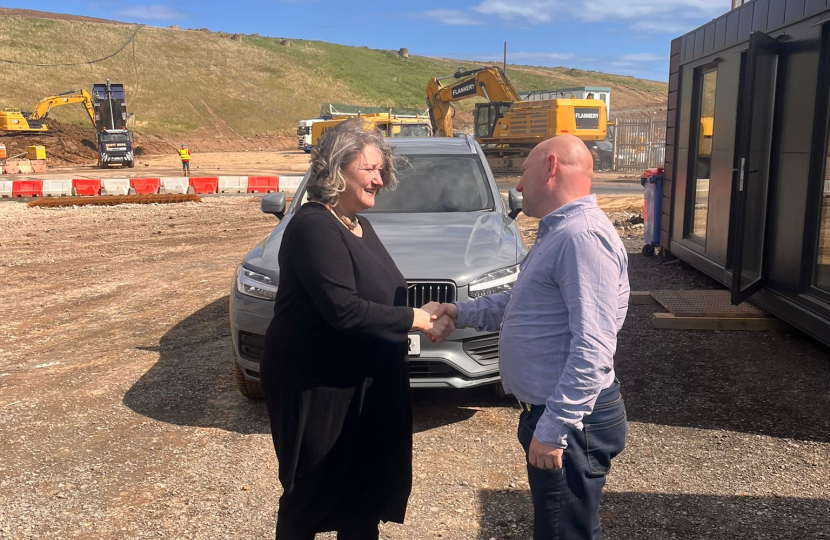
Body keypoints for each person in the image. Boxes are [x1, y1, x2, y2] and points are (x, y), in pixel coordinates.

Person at [425, 134, 630, 540]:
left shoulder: (580, 237)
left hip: (571, 421)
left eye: (523, 172)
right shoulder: (561, 232)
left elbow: (594, 347)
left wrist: (554, 428)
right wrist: (459, 310)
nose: (518, 186)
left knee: (562, 532)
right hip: (557, 414)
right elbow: (524, 304)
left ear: (551, 167)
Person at [259, 119, 453, 540]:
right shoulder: (314, 226)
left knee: (363, 494)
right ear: (336, 168)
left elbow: (382, 294)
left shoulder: (356, 224)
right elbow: (343, 310)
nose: (380, 179)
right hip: (319, 384)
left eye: (382, 170)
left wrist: (429, 310)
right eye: (370, 169)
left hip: (365, 383)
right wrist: (416, 321)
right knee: (310, 492)